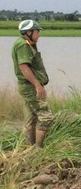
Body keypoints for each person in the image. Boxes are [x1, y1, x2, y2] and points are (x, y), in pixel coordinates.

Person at [12, 19, 53, 147]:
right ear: (28, 32)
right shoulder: (23, 45)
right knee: (46, 117)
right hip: (30, 86)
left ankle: (28, 147)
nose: (39, 34)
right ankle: (38, 149)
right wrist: (37, 85)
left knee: (30, 119)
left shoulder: (25, 43)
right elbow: (24, 67)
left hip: (27, 86)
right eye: (37, 31)